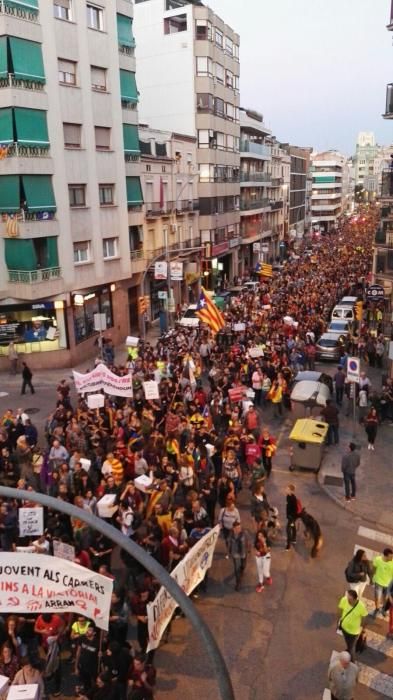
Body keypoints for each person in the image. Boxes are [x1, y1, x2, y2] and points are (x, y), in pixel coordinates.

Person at [337, 589, 367, 662]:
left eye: (349, 599)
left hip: (354, 631)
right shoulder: (344, 600)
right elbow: (340, 611)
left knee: (351, 647)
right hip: (344, 627)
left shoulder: (361, 606)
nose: (347, 600)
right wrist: (338, 621)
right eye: (347, 597)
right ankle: (350, 648)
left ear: (355, 599)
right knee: (348, 642)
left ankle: (353, 661)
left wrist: (363, 629)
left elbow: (364, 619)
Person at [372, 547, 393, 618]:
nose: (392, 558)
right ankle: (377, 609)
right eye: (390, 557)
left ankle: (383, 610)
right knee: (377, 597)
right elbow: (374, 569)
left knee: (386, 599)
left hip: (388, 585)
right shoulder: (377, 560)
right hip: (378, 583)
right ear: (385, 556)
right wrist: (372, 578)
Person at [227, 520, 248, 591]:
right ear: (233, 528)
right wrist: (229, 552)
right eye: (237, 528)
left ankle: (242, 569)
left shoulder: (244, 533)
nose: (238, 529)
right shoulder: (230, 535)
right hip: (235, 553)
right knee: (236, 569)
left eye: (239, 528)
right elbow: (229, 543)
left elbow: (248, 542)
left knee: (243, 565)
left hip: (243, 552)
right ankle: (238, 583)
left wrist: (249, 550)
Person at [285, 484, 299, 551]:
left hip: (292, 517)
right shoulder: (287, 496)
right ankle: (294, 539)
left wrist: (292, 518)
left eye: (287, 489)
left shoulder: (293, 499)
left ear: (291, 491)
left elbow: (295, 510)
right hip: (289, 516)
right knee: (293, 526)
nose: (286, 490)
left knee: (288, 530)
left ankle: (288, 545)